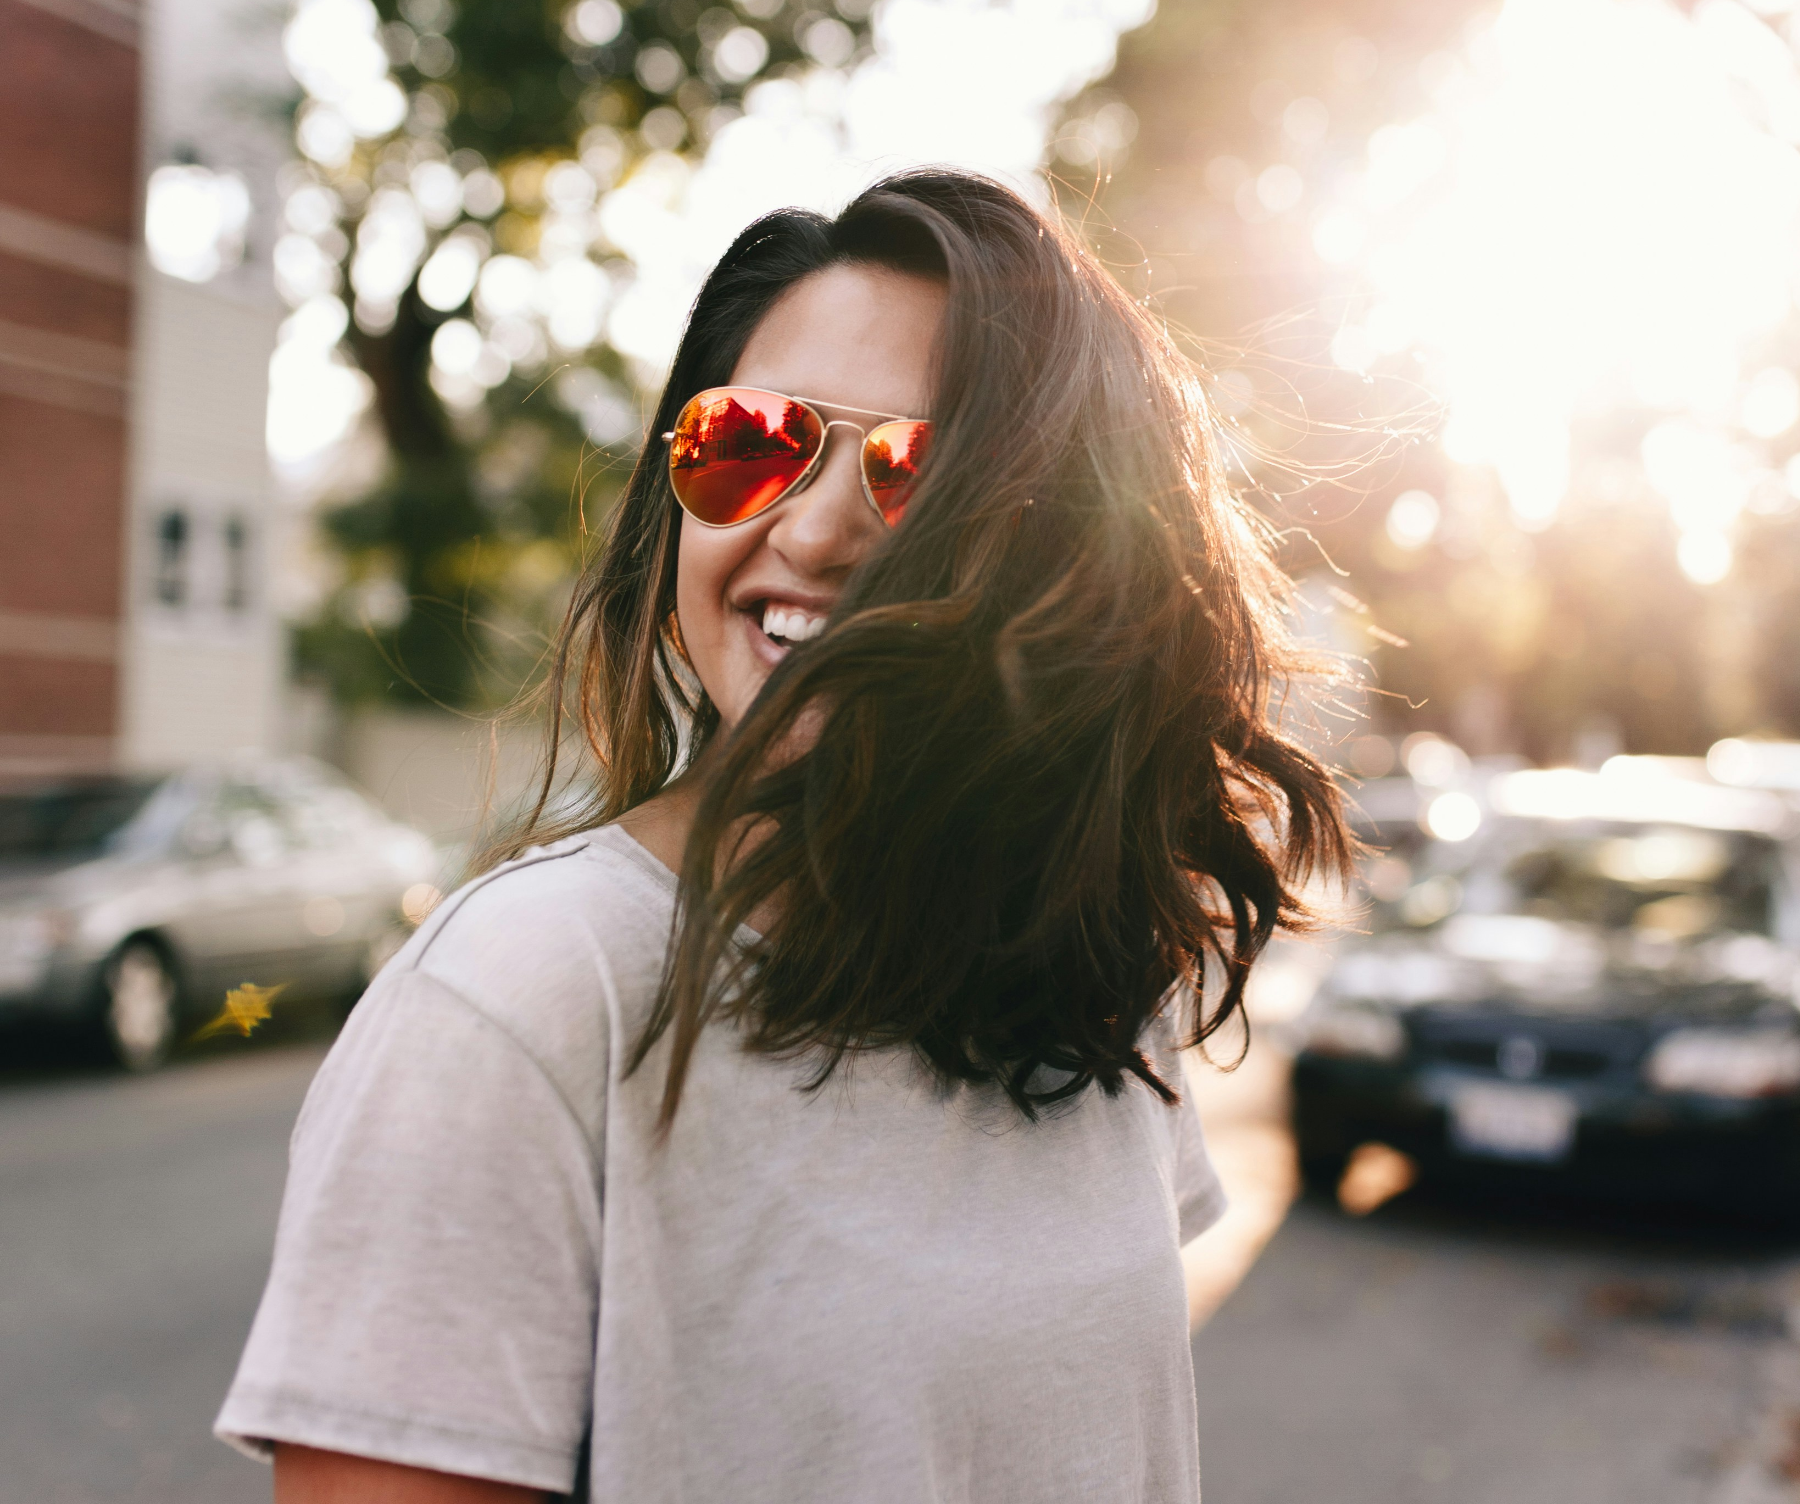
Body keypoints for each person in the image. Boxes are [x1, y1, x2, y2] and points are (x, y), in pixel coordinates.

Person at [215, 168, 1350, 1503]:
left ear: (1076, 557)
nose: (810, 532)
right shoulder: (522, 995)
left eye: (919, 474)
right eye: (751, 442)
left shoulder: (1087, 974)